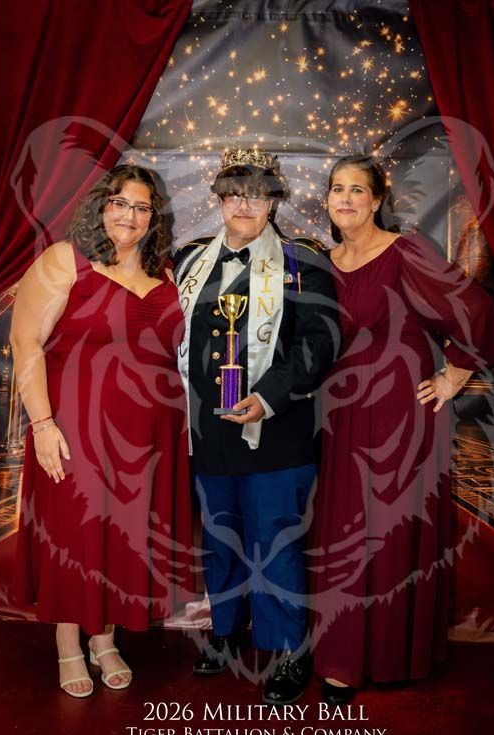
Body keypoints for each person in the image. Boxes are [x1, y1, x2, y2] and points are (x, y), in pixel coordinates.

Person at [312, 155, 494, 703]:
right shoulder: (320, 262)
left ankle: (387, 653)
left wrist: (454, 378)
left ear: (376, 201)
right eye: (336, 188)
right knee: (341, 531)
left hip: (399, 413)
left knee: (388, 533)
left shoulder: (406, 251)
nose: (344, 198)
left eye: (357, 190)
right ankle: (341, 649)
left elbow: (473, 307)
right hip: (337, 414)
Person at [11, 165, 193, 698]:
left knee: (124, 537)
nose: (128, 215)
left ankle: (104, 639)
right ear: (99, 206)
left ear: (152, 216)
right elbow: (26, 346)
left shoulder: (165, 272)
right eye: (118, 202)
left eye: (140, 206)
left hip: (149, 436)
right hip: (75, 430)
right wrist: (42, 425)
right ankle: (70, 645)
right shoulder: (64, 260)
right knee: (77, 533)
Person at [174, 146, 339, 705]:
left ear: (273, 199)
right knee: (220, 541)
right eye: (234, 192)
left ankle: (289, 647)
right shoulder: (188, 261)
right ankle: (225, 632)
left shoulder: (305, 261)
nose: (245, 202)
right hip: (209, 433)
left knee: (277, 543)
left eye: (257, 192)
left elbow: (320, 344)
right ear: (218, 199)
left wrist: (268, 399)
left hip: (278, 430)